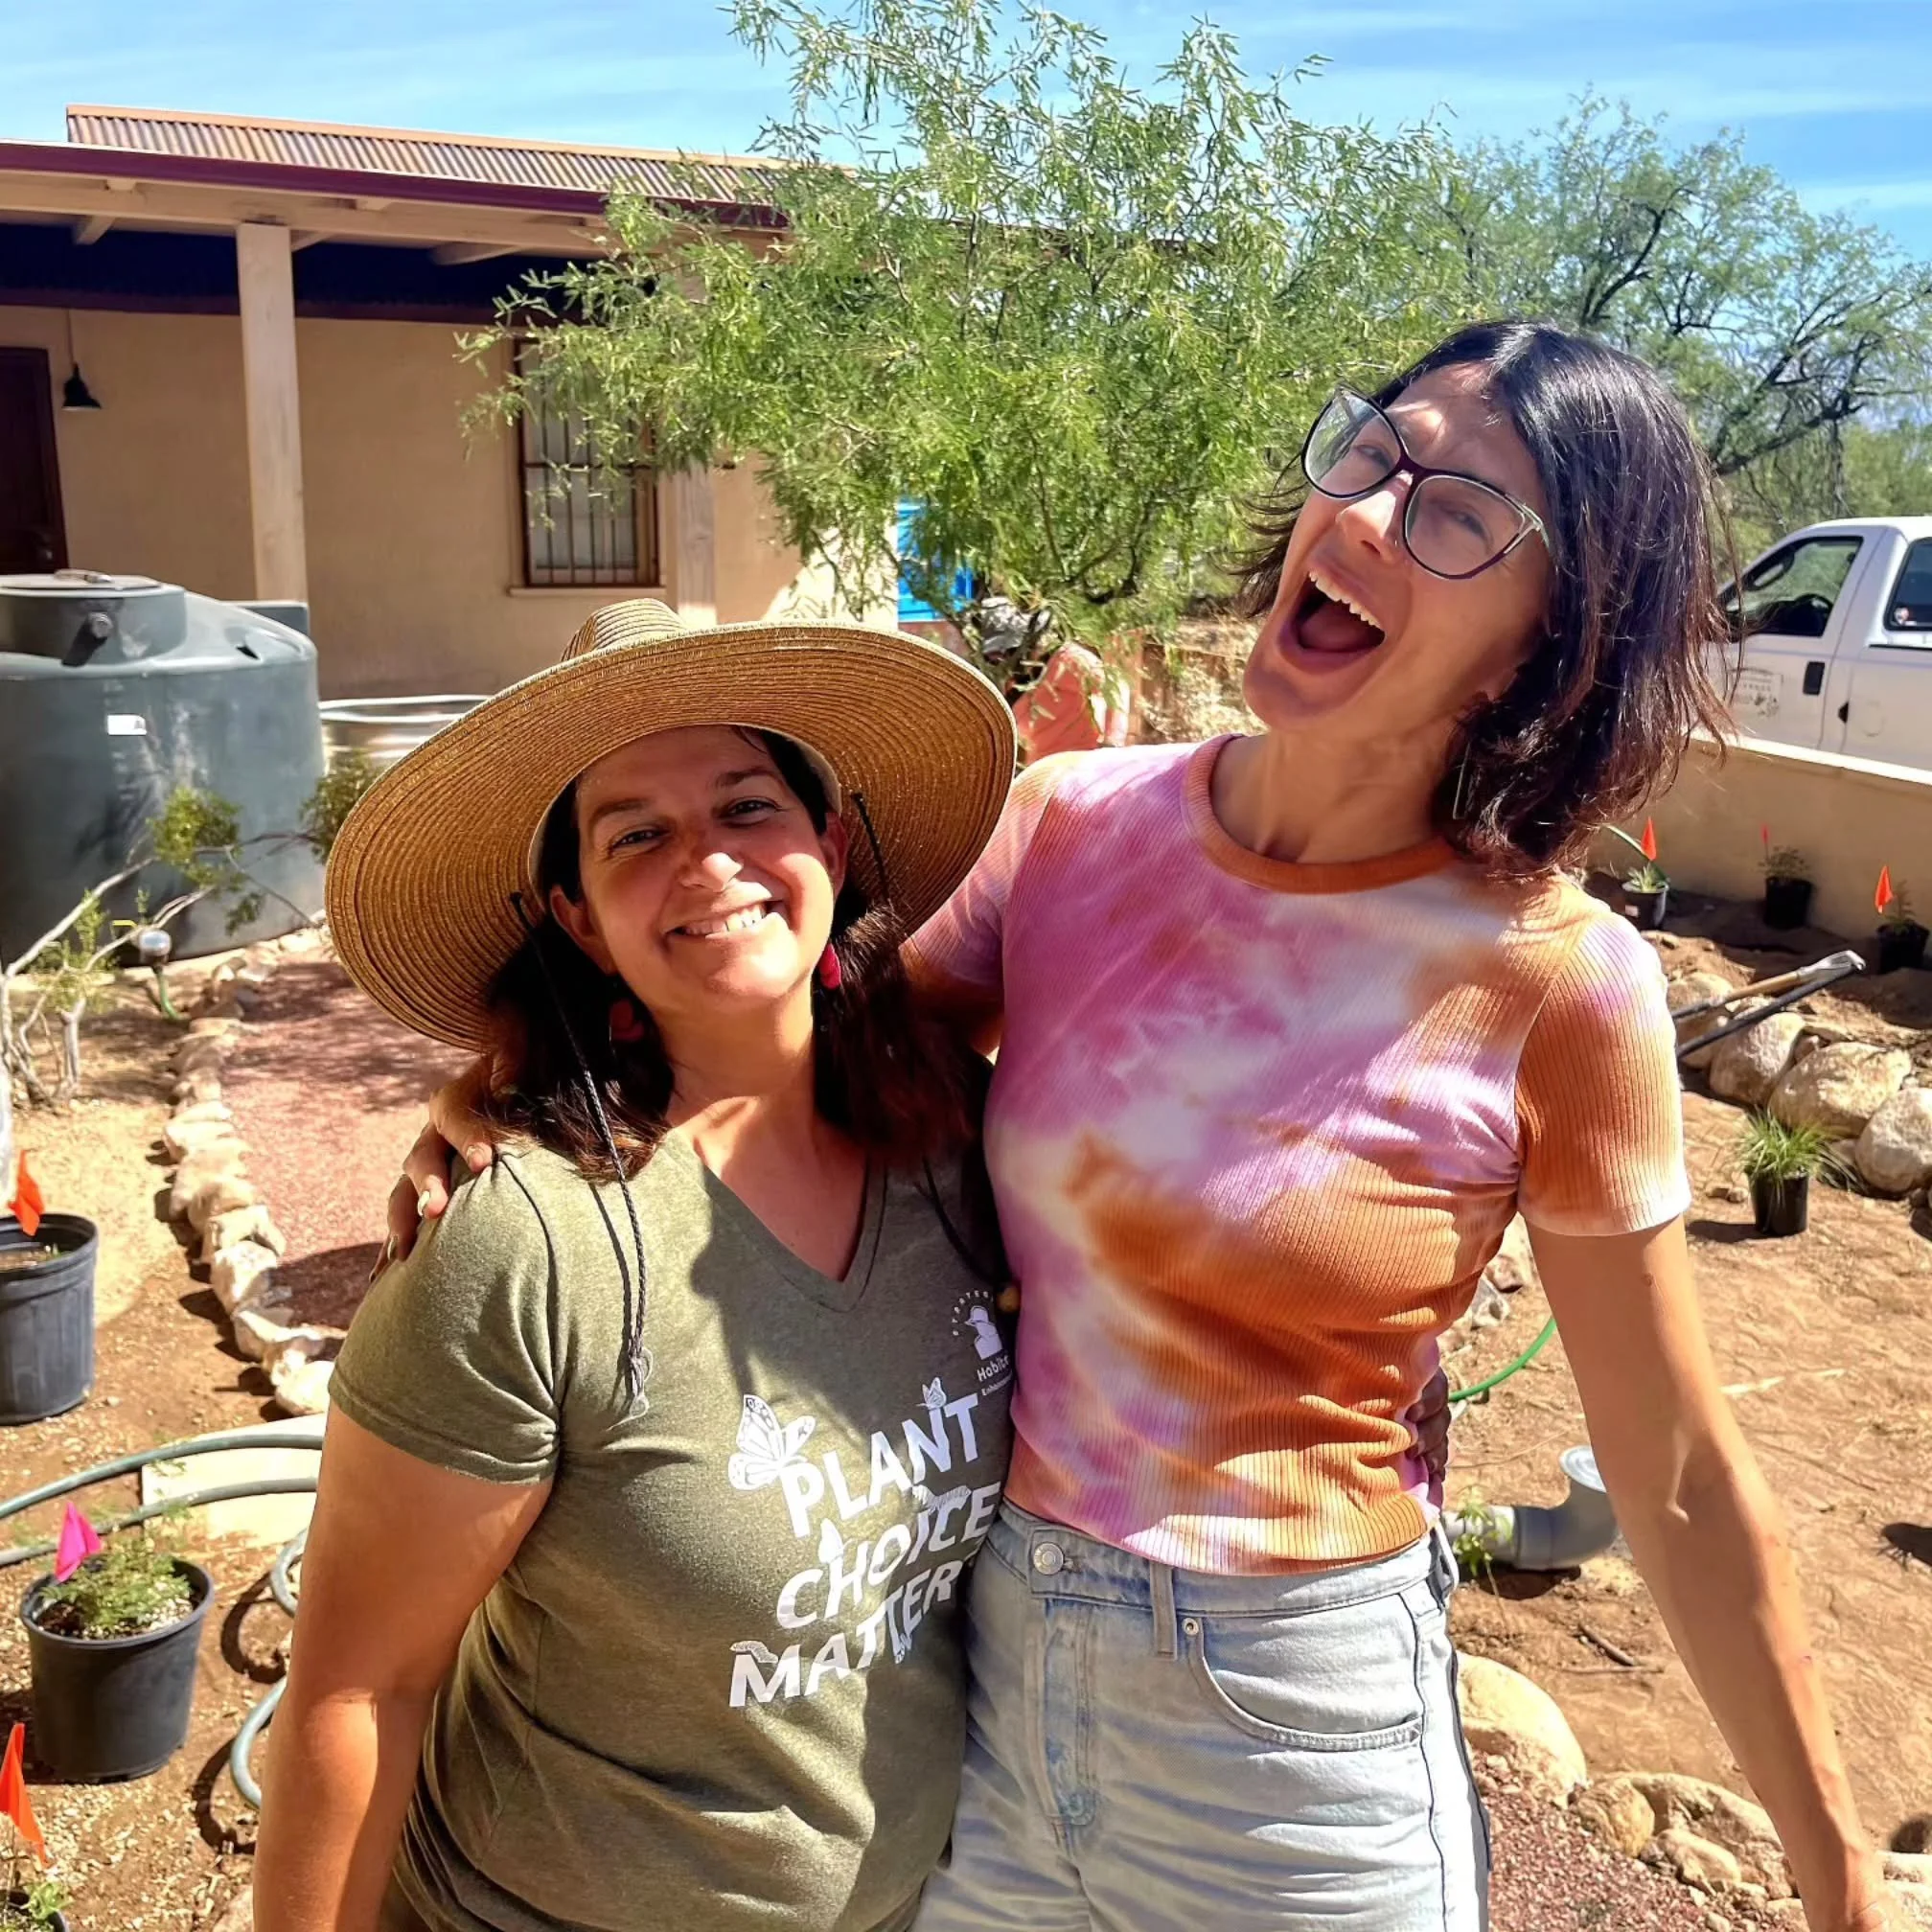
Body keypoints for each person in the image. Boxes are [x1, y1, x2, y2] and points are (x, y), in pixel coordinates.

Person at [390, 322, 1895, 1932]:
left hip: (1295, 1731)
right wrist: (506, 1095)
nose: (1373, 515)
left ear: (1552, 643)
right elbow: (798, 1040)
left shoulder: (1557, 982)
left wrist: (1835, 1875)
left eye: (1463, 513)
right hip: (991, 1669)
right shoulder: (1073, 829)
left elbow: (1667, 1474)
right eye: (1374, 454)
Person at [254, 600, 1024, 1932]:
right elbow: (357, 1692)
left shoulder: (961, 1146)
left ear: (829, 844)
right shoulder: (529, 1244)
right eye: (638, 836)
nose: (708, 862)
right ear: (581, 918)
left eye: (745, 808)